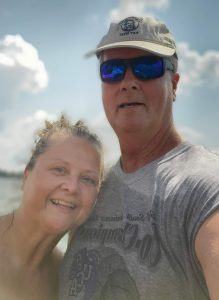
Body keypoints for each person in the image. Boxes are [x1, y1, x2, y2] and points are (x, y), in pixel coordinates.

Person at [60, 16, 219, 300]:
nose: (128, 82)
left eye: (147, 67)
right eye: (113, 70)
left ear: (174, 85)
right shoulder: (90, 191)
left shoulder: (205, 186)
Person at [0, 114, 103, 300]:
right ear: (26, 177)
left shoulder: (68, 283)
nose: (72, 187)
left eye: (87, 179)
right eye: (59, 169)